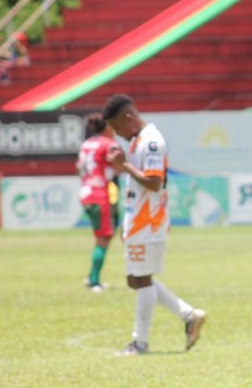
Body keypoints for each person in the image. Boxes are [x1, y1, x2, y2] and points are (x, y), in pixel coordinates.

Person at [103, 94, 207, 355]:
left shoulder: (151, 142)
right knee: (134, 279)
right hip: (139, 221)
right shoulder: (139, 140)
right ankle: (188, 315)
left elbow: (153, 181)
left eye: (117, 128)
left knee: (142, 278)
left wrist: (123, 165)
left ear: (129, 118)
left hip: (148, 222)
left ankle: (140, 342)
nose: (118, 135)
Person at [76, 113, 120, 292]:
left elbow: (79, 167)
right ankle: (94, 281)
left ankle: (92, 276)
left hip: (85, 191)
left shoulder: (86, 145)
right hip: (100, 194)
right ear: (107, 127)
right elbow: (119, 166)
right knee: (104, 237)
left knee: (100, 237)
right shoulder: (109, 144)